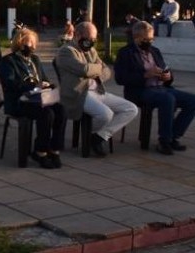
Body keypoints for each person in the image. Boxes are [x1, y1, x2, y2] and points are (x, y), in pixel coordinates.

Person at [114, 21, 195, 155]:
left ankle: (174, 135)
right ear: (136, 38)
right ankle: (164, 141)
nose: (149, 42)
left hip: (161, 87)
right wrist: (145, 75)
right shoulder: (126, 53)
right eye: (146, 39)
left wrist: (167, 76)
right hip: (140, 91)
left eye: (151, 39)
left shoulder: (155, 51)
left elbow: (165, 69)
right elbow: (121, 78)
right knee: (167, 99)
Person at [55, 22, 138, 157]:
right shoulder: (66, 51)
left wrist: (95, 70)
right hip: (79, 93)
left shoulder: (91, 50)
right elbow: (84, 69)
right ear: (78, 35)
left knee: (131, 109)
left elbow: (107, 71)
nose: (91, 42)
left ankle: (99, 137)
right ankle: (90, 135)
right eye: (88, 38)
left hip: (97, 91)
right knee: (106, 114)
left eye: (93, 39)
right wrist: (96, 69)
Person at [0, 28, 66, 169]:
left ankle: (54, 148)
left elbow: (44, 79)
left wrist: (48, 85)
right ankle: (40, 151)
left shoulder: (35, 59)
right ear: (19, 43)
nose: (31, 47)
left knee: (61, 110)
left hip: (38, 99)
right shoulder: (8, 61)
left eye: (33, 44)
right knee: (47, 114)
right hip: (19, 101)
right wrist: (33, 85)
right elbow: (10, 84)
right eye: (28, 44)